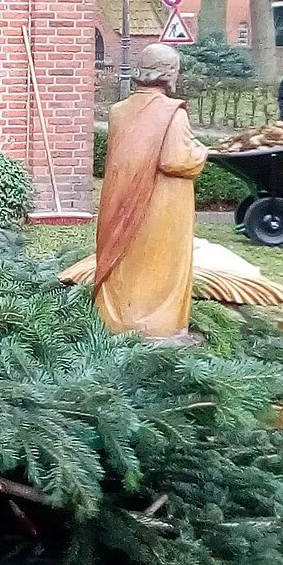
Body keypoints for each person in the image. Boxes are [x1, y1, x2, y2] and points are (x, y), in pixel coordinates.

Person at [91, 43, 208, 343]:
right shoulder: (173, 112)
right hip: (162, 208)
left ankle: (116, 319)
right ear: (168, 74)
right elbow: (175, 159)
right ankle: (157, 325)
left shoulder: (119, 111)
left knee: (125, 259)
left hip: (120, 200)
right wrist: (202, 151)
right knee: (159, 265)